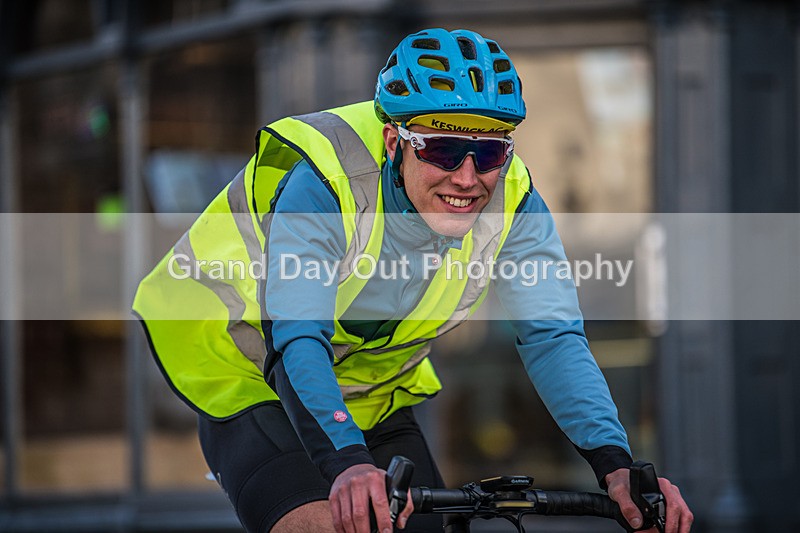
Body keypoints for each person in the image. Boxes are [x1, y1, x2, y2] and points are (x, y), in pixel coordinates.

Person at [133, 28, 693, 533]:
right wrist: (348, 464)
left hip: (368, 391)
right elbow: (298, 335)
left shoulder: (515, 201)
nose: (468, 178)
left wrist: (615, 464)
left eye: (489, 152)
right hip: (249, 369)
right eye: (444, 149)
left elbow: (553, 337)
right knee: (326, 522)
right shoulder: (325, 183)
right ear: (394, 142)